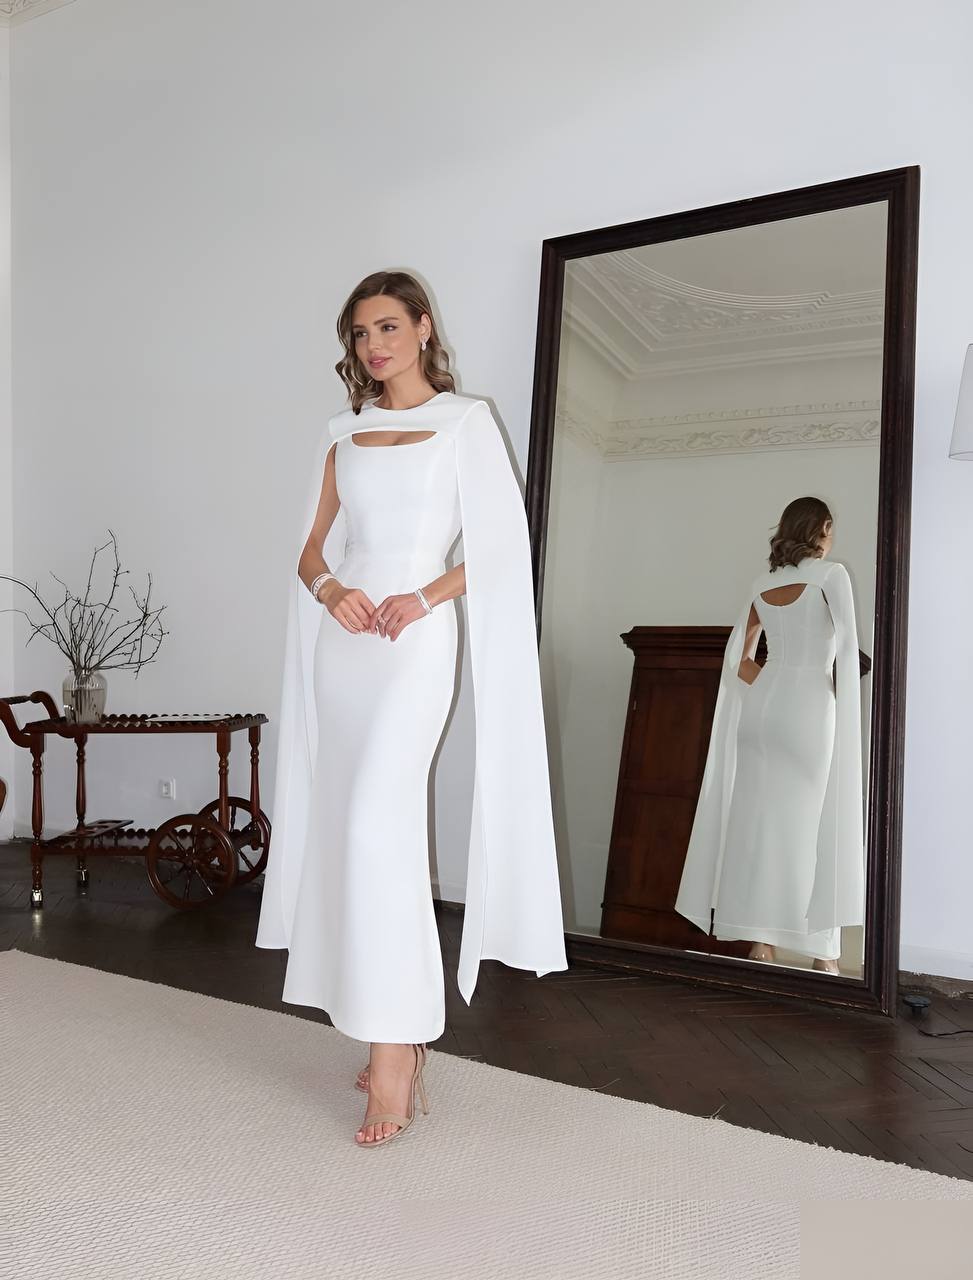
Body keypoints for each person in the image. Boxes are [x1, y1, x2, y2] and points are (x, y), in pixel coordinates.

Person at [255, 270, 568, 1147]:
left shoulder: (465, 422)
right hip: (344, 649)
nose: (374, 346)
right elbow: (310, 547)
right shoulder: (341, 436)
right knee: (348, 830)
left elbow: (505, 545)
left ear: (424, 328)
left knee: (374, 829)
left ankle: (398, 1050)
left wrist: (425, 598)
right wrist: (329, 592)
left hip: (413, 647)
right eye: (360, 334)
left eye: (388, 327)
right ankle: (383, 1025)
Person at [674, 497, 865, 974]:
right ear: (821, 528)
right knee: (812, 825)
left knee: (757, 825)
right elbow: (846, 652)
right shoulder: (831, 576)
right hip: (807, 708)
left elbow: (737, 658)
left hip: (759, 712)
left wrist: (769, 686)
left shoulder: (763, 585)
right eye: (831, 529)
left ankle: (760, 943)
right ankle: (824, 953)